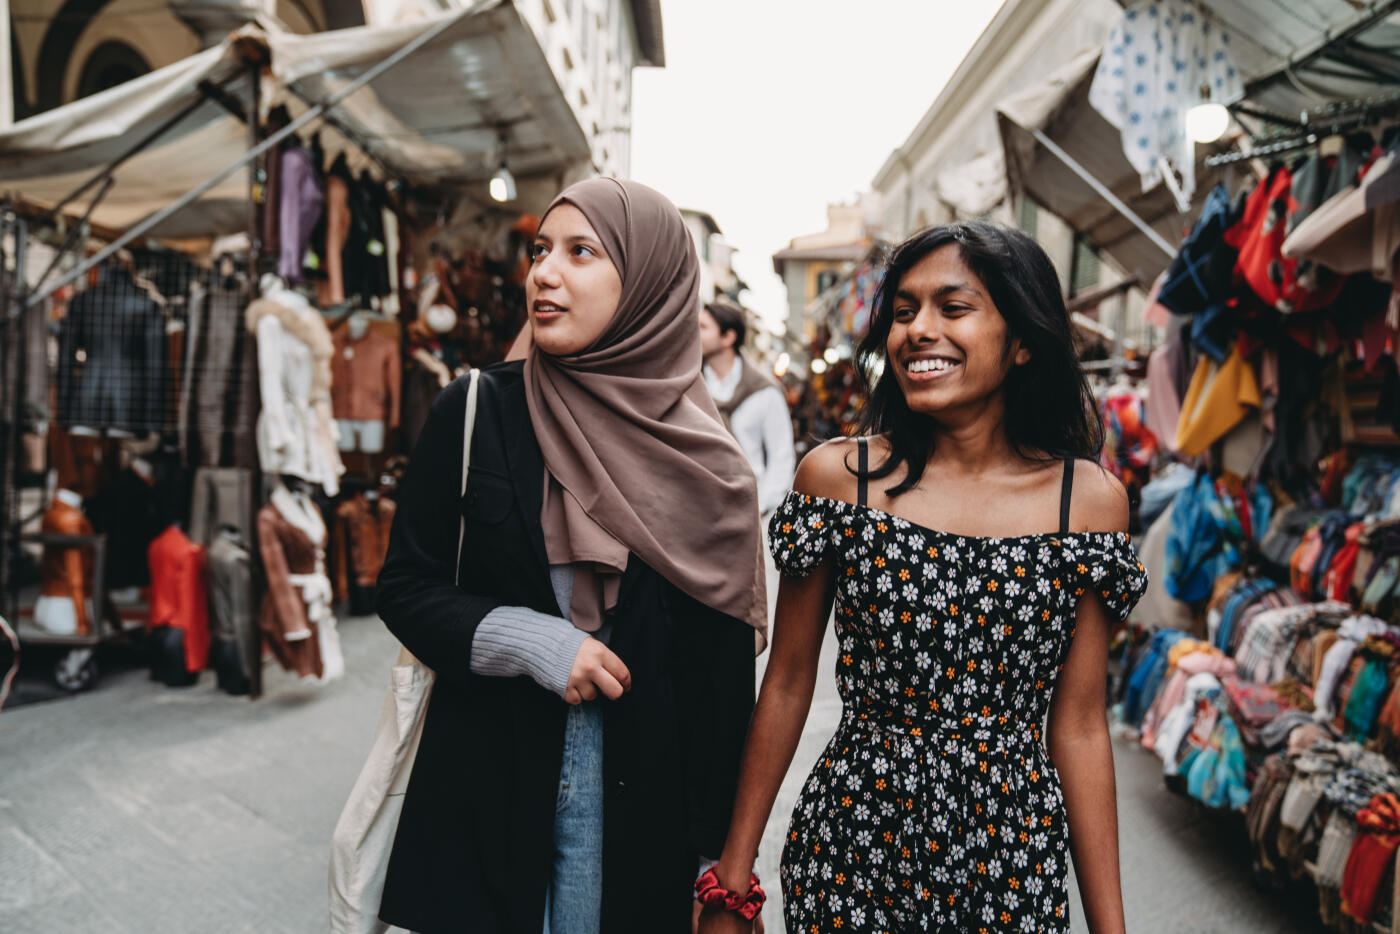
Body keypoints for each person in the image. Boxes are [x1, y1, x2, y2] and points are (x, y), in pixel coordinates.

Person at [698, 222, 1148, 934]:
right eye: (904, 312)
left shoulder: (1086, 504)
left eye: (953, 307)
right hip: (853, 844)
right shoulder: (840, 481)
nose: (917, 331)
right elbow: (786, 682)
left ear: (1024, 340)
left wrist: (1110, 928)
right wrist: (732, 879)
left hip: (1012, 857)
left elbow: (1082, 724)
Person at [375, 178, 767, 934]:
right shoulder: (478, 411)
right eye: (539, 251)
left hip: (640, 831)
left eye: (581, 252)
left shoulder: (711, 473)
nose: (544, 274)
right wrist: (534, 641)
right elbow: (405, 585)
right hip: (485, 800)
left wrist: (719, 870)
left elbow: (719, 699)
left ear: (651, 283)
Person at [699, 299, 796, 518]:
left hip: (746, 508)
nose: (695, 334)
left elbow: (781, 456)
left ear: (728, 337)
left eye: (703, 328)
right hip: (696, 508)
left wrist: (759, 506)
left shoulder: (764, 391)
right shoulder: (691, 384)